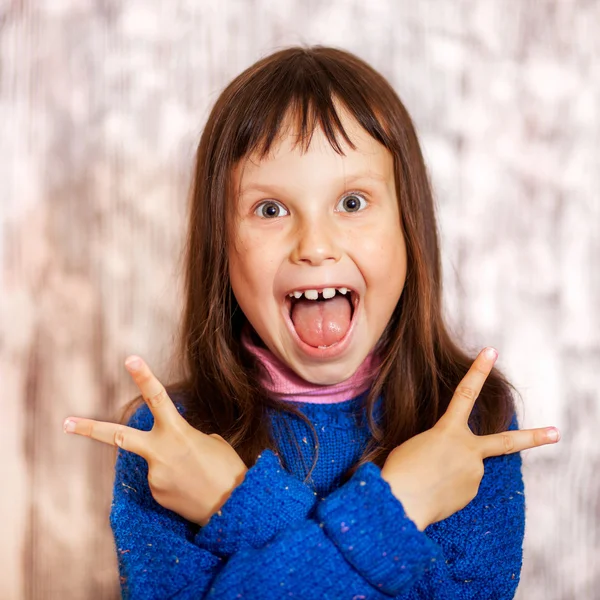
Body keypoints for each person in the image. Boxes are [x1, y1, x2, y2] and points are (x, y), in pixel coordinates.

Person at [64, 45, 560, 599]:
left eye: (351, 202)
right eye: (270, 210)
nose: (316, 245)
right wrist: (401, 505)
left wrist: (235, 504)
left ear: (408, 226)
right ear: (221, 245)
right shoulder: (170, 441)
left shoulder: (466, 427)